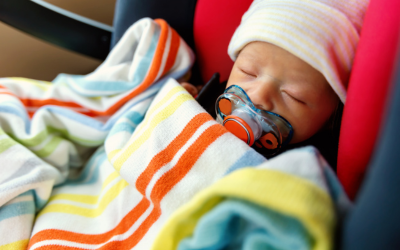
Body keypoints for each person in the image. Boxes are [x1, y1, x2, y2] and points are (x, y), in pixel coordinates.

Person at [181, 0, 369, 168]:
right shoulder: (220, 96)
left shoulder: (314, 164)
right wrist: (191, 100)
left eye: (293, 96)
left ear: (331, 118)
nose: (258, 96)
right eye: (248, 72)